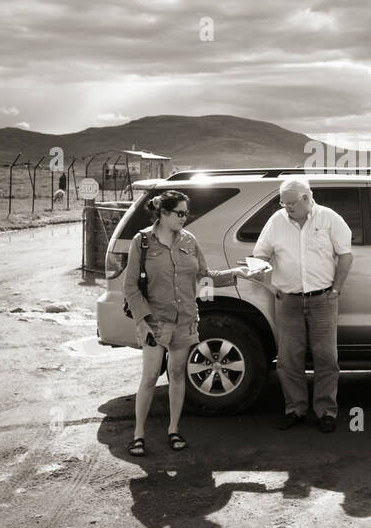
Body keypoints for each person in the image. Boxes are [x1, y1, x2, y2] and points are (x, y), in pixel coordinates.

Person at [123, 190, 252, 456]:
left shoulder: (189, 240)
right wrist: (142, 321)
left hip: (185, 320)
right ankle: (138, 434)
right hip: (155, 321)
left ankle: (173, 429)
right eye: (180, 213)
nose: (184, 218)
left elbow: (204, 275)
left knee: (177, 374)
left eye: (186, 213)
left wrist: (236, 273)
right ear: (163, 213)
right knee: (150, 376)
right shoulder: (142, 241)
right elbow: (130, 287)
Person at [249, 178, 353, 432]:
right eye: (283, 203)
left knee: (326, 358)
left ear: (307, 198)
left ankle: (326, 412)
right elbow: (260, 254)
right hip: (288, 300)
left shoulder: (329, 218)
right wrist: (266, 278)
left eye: (291, 203)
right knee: (288, 359)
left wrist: (336, 289)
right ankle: (295, 409)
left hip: (323, 299)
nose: (286, 208)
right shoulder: (276, 221)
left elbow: (345, 255)